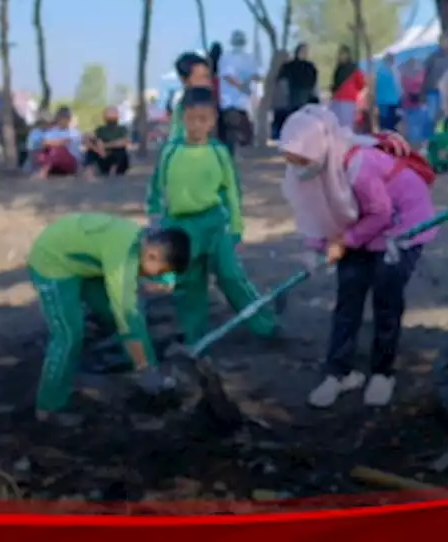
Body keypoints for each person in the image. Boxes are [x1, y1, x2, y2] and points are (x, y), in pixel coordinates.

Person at [279, 105, 437, 408]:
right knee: (348, 295)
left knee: (385, 295)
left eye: (300, 160)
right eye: (290, 161)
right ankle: (339, 372)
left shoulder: (358, 166)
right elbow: (317, 207)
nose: (297, 168)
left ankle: (382, 372)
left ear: (317, 148)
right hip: (359, 222)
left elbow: (381, 213)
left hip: (401, 224)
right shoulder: (313, 163)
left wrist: (345, 242)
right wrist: (313, 246)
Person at [145, 86, 279, 345]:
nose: (197, 125)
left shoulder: (218, 152)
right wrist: (154, 217)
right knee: (190, 285)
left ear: (213, 120)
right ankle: (197, 341)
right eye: (192, 118)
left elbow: (231, 192)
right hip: (181, 228)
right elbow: (155, 188)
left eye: (204, 119)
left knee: (231, 276)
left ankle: (265, 325)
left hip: (215, 225)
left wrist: (236, 228)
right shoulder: (170, 151)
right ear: (182, 117)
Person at [27, 213, 191, 423]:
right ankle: (48, 407)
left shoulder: (147, 242)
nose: (158, 276)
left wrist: (167, 277)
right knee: (68, 335)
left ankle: (131, 358)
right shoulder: (122, 260)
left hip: (84, 264)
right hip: (53, 262)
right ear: (151, 255)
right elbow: (128, 318)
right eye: (160, 271)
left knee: (111, 313)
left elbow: (162, 258)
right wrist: (146, 371)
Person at [217, 30, 259, 151]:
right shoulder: (245, 58)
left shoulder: (228, 57)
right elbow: (228, 76)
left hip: (235, 102)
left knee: (236, 135)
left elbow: (227, 76)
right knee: (237, 134)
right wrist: (243, 85)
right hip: (236, 102)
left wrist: (243, 85)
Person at [273, 43, 319, 140]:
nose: (305, 53)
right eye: (303, 51)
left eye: (306, 51)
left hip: (307, 95)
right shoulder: (289, 66)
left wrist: (315, 96)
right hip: (294, 95)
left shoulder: (310, 66)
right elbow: (281, 80)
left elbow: (314, 83)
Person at [420, 34, 448, 135]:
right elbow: (425, 73)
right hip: (433, 91)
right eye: (442, 41)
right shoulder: (432, 57)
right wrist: (422, 90)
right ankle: (431, 137)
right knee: (432, 116)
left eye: (447, 41)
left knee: (446, 115)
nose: (445, 44)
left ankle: (445, 135)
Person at [168, 51, 215, 143]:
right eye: (202, 77)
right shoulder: (184, 108)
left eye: (209, 77)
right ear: (185, 80)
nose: (209, 83)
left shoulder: (209, 102)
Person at [32, 107, 83, 179]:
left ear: (69, 119)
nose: (63, 121)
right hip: (54, 163)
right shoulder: (53, 130)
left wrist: (50, 142)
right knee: (43, 151)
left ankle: (43, 172)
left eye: (65, 118)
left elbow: (63, 143)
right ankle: (41, 169)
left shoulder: (74, 132)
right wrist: (50, 143)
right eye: (61, 118)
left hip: (70, 163)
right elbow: (43, 143)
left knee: (57, 150)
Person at [85, 105, 131, 178]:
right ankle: (89, 171)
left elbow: (125, 141)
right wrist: (97, 149)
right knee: (90, 152)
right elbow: (88, 139)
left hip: (117, 158)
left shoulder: (122, 129)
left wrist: (104, 145)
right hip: (103, 156)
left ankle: (113, 170)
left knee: (121, 150)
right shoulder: (100, 130)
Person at [329, 45, 367, 131]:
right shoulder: (338, 69)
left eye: (344, 54)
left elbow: (361, 84)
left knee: (346, 125)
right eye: (340, 54)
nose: (342, 56)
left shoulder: (354, 69)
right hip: (337, 99)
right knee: (337, 124)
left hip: (348, 100)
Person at [398, 58, 428, 148]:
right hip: (416, 105)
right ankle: (417, 145)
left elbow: (403, 86)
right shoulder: (420, 75)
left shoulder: (405, 76)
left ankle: (414, 144)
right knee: (417, 126)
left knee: (412, 127)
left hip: (408, 105)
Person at [372, 53, 402, 134]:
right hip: (390, 101)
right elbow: (398, 86)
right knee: (389, 123)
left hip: (384, 101)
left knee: (385, 124)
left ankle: (387, 139)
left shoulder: (380, 71)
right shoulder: (392, 71)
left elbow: (375, 87)